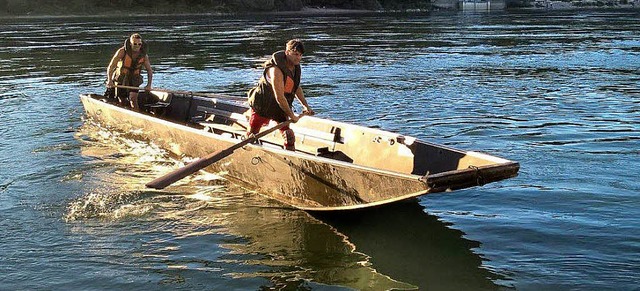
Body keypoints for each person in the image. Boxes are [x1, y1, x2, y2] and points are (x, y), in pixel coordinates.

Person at [247, 39, 315, 151]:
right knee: (251, 136)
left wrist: (305, 106)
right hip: (262, 106)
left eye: (300, 55)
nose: (298, 58)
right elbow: (279, 97)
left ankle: (291, 159)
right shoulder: (275, 70)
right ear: (287, 52)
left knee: (289, 136)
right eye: (295, 54)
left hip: (279, 109)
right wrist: (292, 115)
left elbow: (296, 87)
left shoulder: (295, 67)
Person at [105, 33, 153, 110]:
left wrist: (149, 85)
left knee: (133, 99)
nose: (137, 46)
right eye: (135, 44)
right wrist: (109, 80)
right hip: (122, 78)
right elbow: (111, 66)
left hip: (134, 79)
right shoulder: (121, 52)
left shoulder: (144, 55)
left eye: (139, 44)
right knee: (122, 100)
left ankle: (137, 116)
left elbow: (149, 71)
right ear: (130, 44)